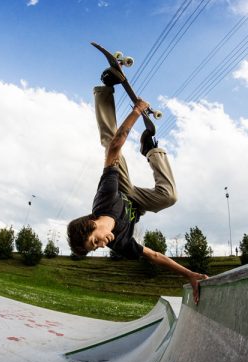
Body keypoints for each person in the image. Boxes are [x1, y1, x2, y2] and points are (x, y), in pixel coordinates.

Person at [67, 67, 208, 304]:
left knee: (110, 143)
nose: (102, 245)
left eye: (95, 241)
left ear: (91, 224)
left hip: (120, 189)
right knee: (170, 197)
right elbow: (153, 255)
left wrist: (136, 111)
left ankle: (105, 88)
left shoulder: (104, 199)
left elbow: (114, 149)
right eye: (96, 249)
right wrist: (189, 274)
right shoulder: (120, 244)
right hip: (137, 202)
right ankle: (150, 150)